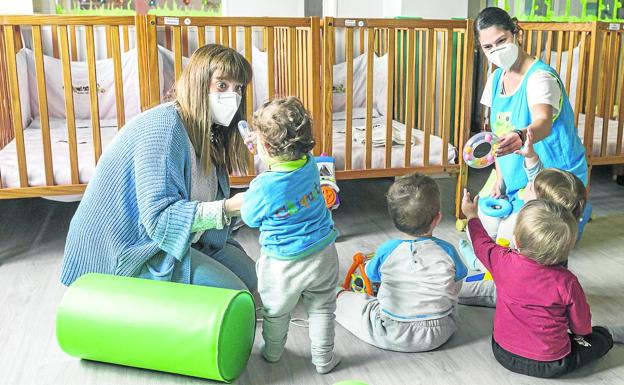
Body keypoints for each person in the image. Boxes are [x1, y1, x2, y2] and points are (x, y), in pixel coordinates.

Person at [60, 44, 257, 292]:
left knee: (256, 284)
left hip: (179, 241)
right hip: (133, 249)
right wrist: (231, 206)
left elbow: (209, 210)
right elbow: (160, 218)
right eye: (222, 85)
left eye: (238, 88)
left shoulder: (210, 134)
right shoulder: (165, 126)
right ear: (198, 81)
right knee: (236, 296)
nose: (233, 96)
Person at [460, 192, 623, 378]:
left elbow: (481, 243)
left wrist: (472, 215)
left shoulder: (502, 261)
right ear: (566, 249)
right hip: (552, 362)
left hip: (503, 351)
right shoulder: (566, 282)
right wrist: (586, 334)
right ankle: (609, 334)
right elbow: (582, 328)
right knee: (598, 339)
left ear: (517, 240)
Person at [237, 97, 340, 374]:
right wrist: (263, 148)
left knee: (275, 311)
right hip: (323, 252)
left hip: (283, 262)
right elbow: (284, 159)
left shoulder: (264, 186)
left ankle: (272, 352)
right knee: (321, 309)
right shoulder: (309, 163)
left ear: (266, 147)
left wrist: (262, 155)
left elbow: (249, 217)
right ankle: (323, 360)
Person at [475, 6, 587, 239]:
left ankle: (575, 215)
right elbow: (497, 137)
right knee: (484, 222)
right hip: (517, 176)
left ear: (516, 33)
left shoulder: (540, 78)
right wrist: (500, 180)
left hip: (552, 178)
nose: (496, 50)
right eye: (488, 47)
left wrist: (522, 135)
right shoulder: (495, 80)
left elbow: (543, 123)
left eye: (501, 41)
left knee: (514, 238)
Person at [334, 173, 467, 352]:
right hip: (441, 330)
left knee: (354, 303)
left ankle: (333, 294)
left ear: (395, 221)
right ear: (437, 219)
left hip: (392, 331)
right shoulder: (447, 250)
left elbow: (372, 275)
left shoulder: (387, 250)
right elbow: (458, 281)